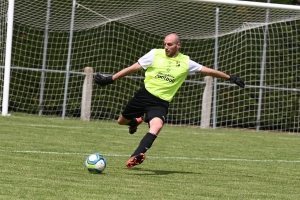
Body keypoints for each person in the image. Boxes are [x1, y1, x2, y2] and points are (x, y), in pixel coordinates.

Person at [94, 33, 245, 168]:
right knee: (121, 121)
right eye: (165, 44)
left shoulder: (186, 62)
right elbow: (133, 68)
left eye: (170, 44)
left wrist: (230, 77)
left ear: (178, 45)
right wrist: (111, 79)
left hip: (160, 103)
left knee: (157, 126)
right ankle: (134, 122)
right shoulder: (154, 54)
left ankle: (136, 155)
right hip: (143, 96)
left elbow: (208, 70)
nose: (166, 47)